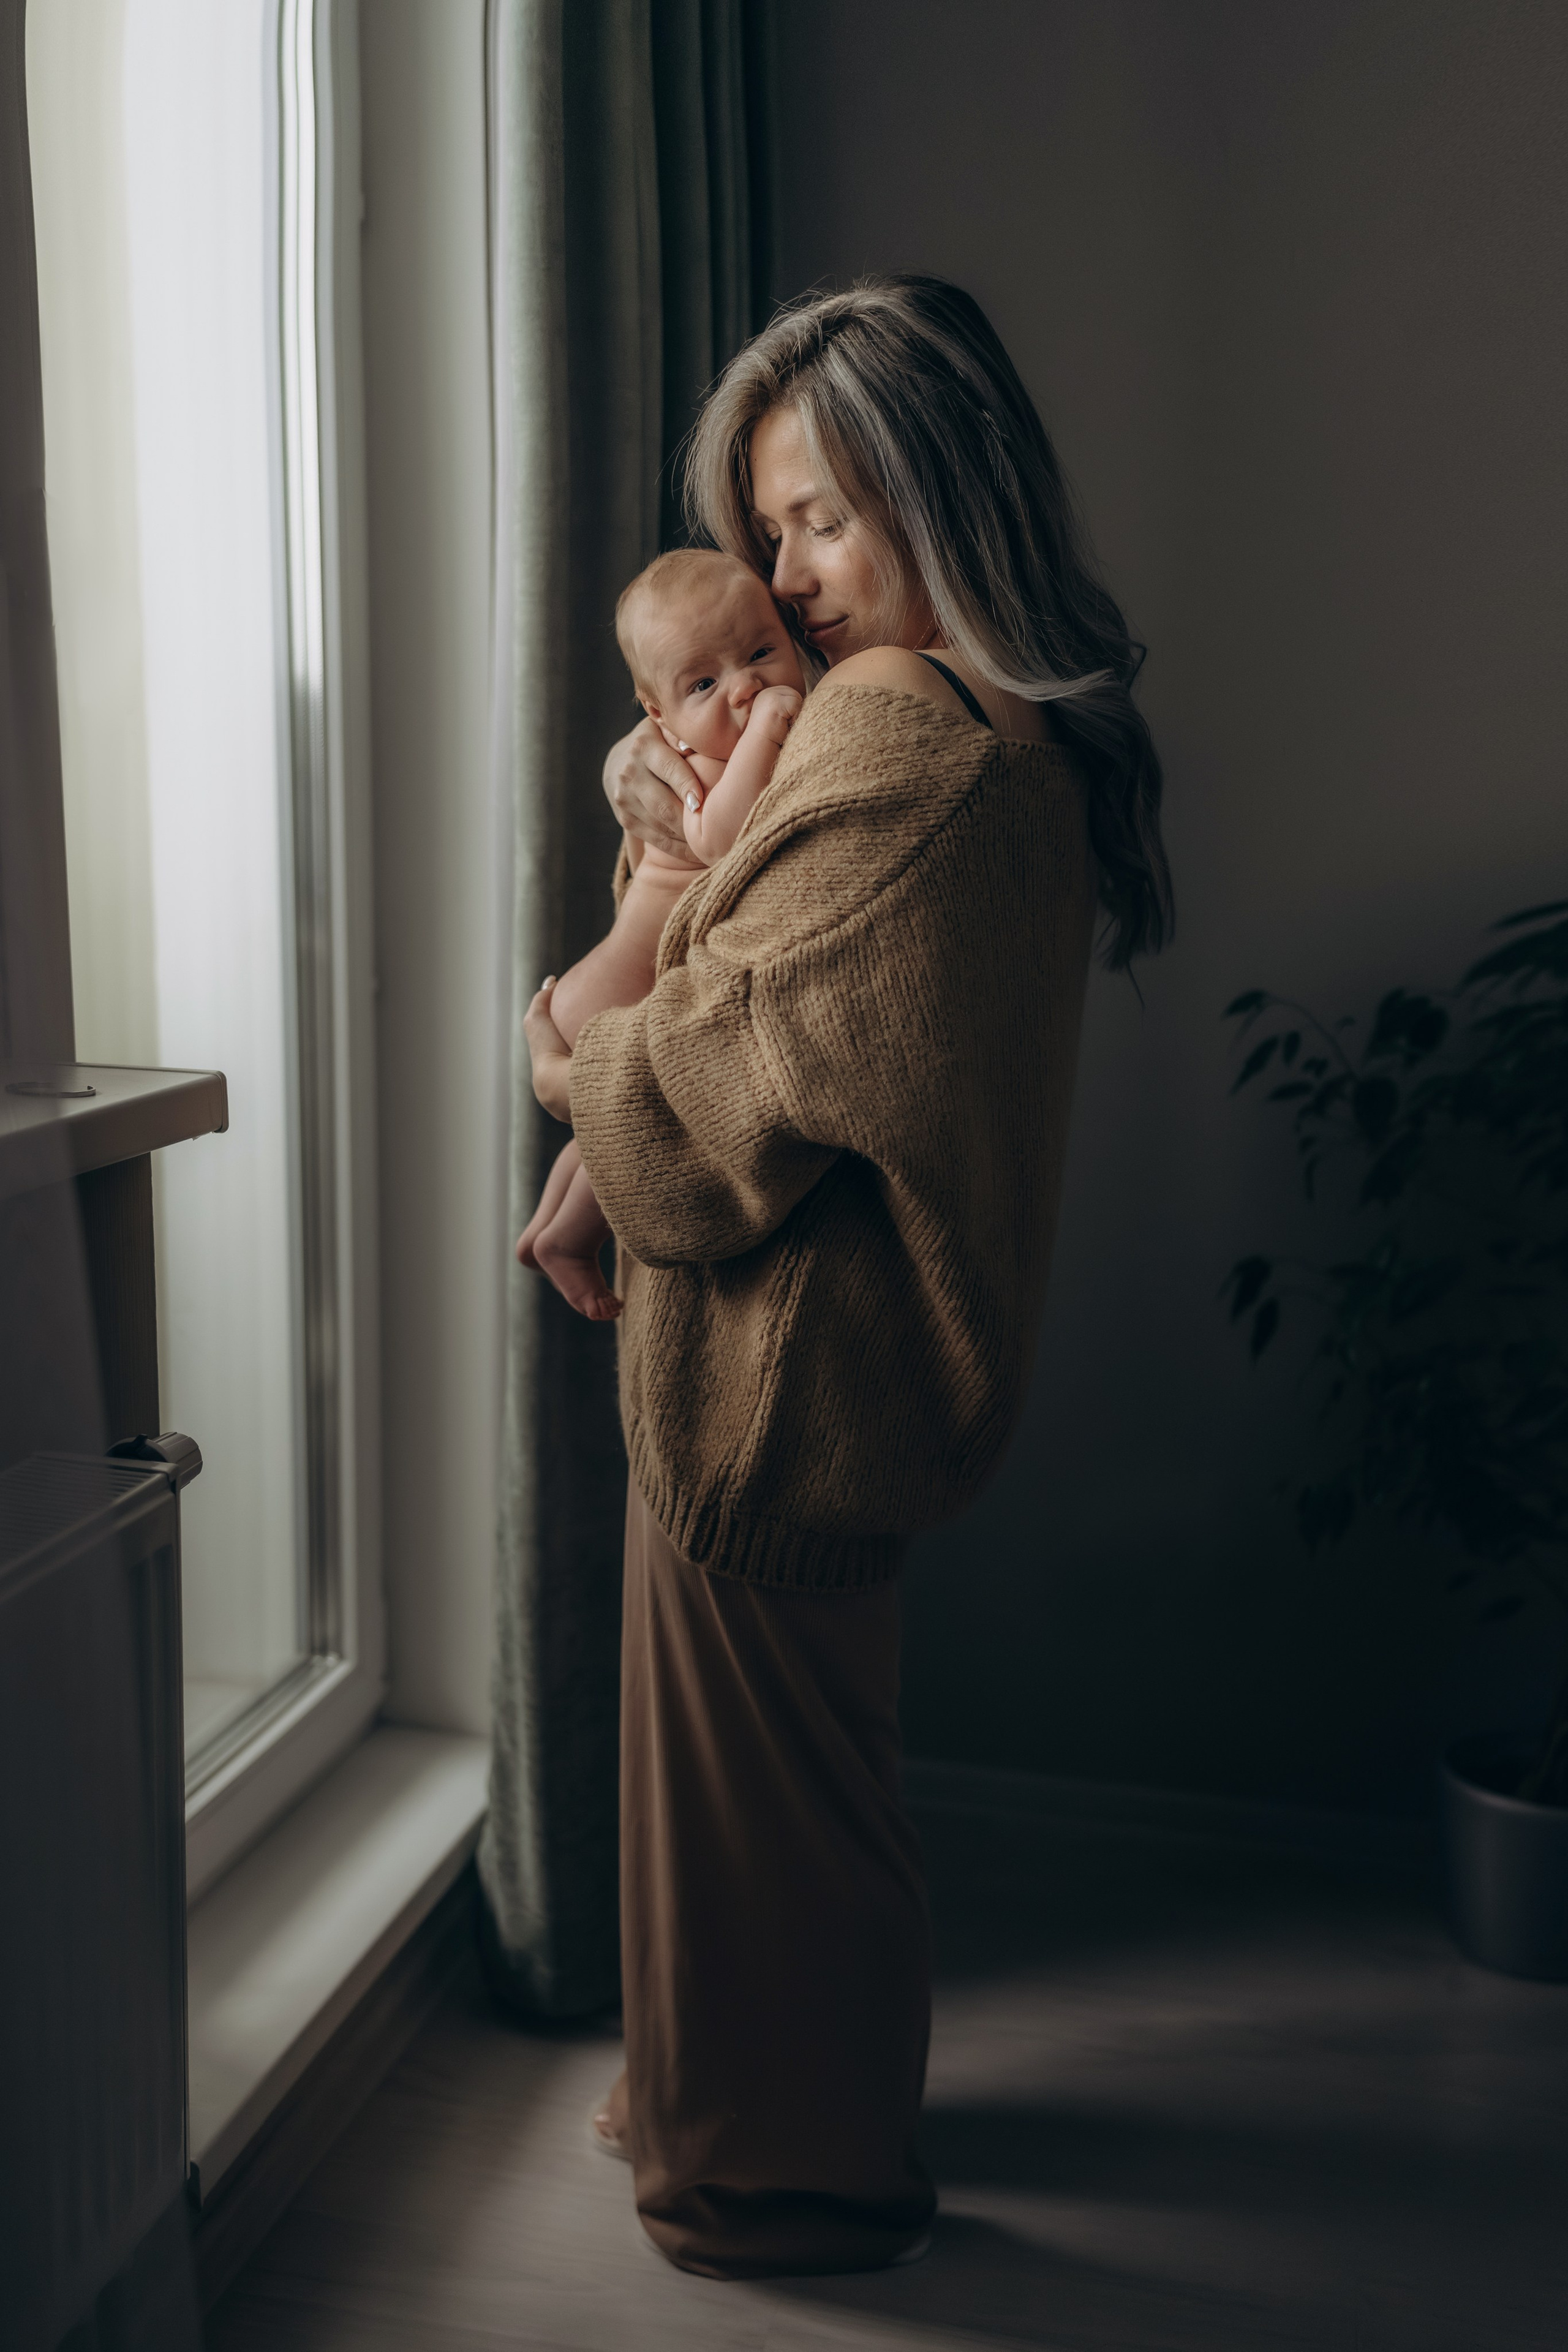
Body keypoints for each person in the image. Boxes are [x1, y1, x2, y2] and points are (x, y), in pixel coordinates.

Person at [521, 275, 1173, 2280]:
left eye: (816, 520)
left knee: (772, 1831)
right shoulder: (1005, 729)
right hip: (828, 1374)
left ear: (939, 492)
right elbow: (757, 998)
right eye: (770, 527)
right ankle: (733, 2104)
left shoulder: (906, 734)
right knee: (769, 1813)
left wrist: (559, 1051)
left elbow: (705, 1122)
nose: (782, 582)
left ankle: (782, 2184)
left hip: (781, 1378)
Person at [515, 548, 804, 1319]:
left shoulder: (693, 746)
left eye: (761, 653)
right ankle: (570, 1238)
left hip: (605, 981)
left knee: (602, 1140)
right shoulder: (711, 767)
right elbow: (714, 840)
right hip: (615, 990)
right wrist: (775, 722)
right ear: (658, 714)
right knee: (627, 1134)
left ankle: (549, 1227)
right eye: (704, 684)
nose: (744, 689)